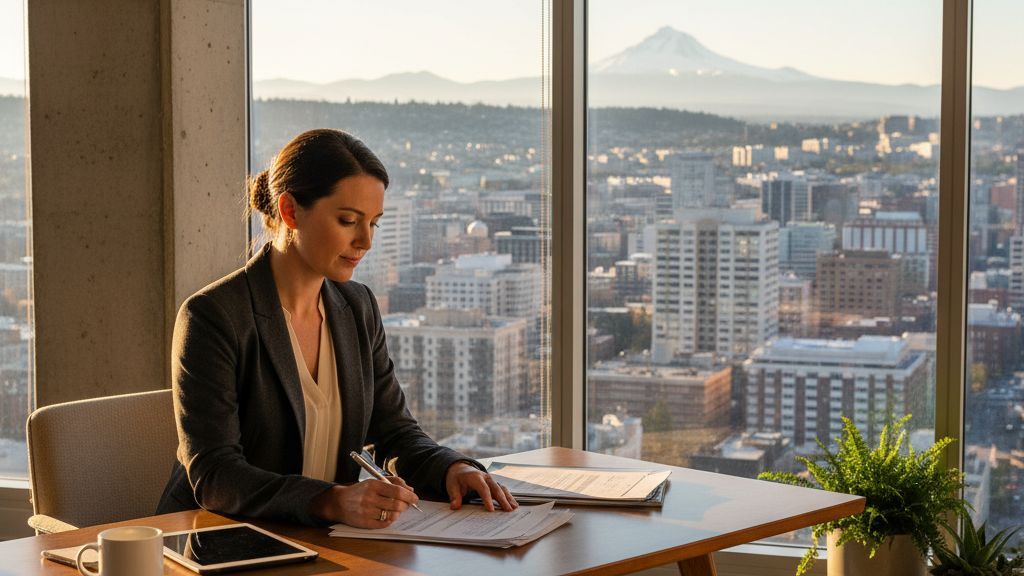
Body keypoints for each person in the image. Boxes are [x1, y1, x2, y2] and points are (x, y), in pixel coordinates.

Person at [157, 128, 517, 528]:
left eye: (374, 224)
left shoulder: (357, 307)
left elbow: (395, 433)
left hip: (321, 542)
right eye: (348, 220)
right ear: (290, 211)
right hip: (215, 541)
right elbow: (215, 475)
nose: (365, 241)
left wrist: (451, 469)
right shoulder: (213, 317)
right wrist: (331, 501)